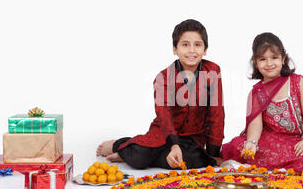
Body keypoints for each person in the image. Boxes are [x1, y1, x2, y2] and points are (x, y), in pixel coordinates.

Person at [96, 19, 225, 169]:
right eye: (185, 44)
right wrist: (174, 145)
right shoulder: (163, 78)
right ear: (175, 49)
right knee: (139, 159)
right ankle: (120, 145)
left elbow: (216, 114)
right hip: (164, 133)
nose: (191, 50)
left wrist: (213, 153)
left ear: (205, 49)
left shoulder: (213, 71)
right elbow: (164, 116)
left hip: (193, 140)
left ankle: (138, 154)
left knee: (195, 159)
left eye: (197, 45)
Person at [221, 32, 303, 173]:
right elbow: (255, 124)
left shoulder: (297, 82)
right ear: (255, 61)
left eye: (274, 58)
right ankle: (259, 164)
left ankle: (256, 166)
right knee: (238, 145)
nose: (269, 64)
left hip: (296, 140)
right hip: (269, 140)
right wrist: (252, 143)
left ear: (283, 58)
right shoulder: (257, 93)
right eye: (263, 59)